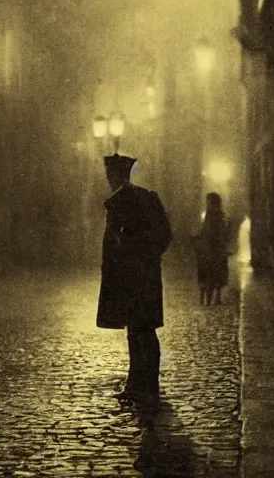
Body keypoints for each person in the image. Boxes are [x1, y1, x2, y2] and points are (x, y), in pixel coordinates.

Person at [96, 153, 172, 408]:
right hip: (143, 274)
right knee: (138, 329)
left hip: (131, 277)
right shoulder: (146, 198)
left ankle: (148, 387)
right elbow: (164, 235)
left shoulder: (124, 202)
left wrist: (133, 252)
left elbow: (128, 239)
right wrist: (149, 258)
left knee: (142, 331)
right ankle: (138, 384)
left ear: (114, 176)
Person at [193, 192, 230, 306]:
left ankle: (205, 299)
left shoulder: (211, 214)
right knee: (217, 271)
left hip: (211, 247)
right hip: (215, 247)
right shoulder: (219, 214)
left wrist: (199, 236)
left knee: (206, 271)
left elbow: (208, 230)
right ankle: (215, 297)